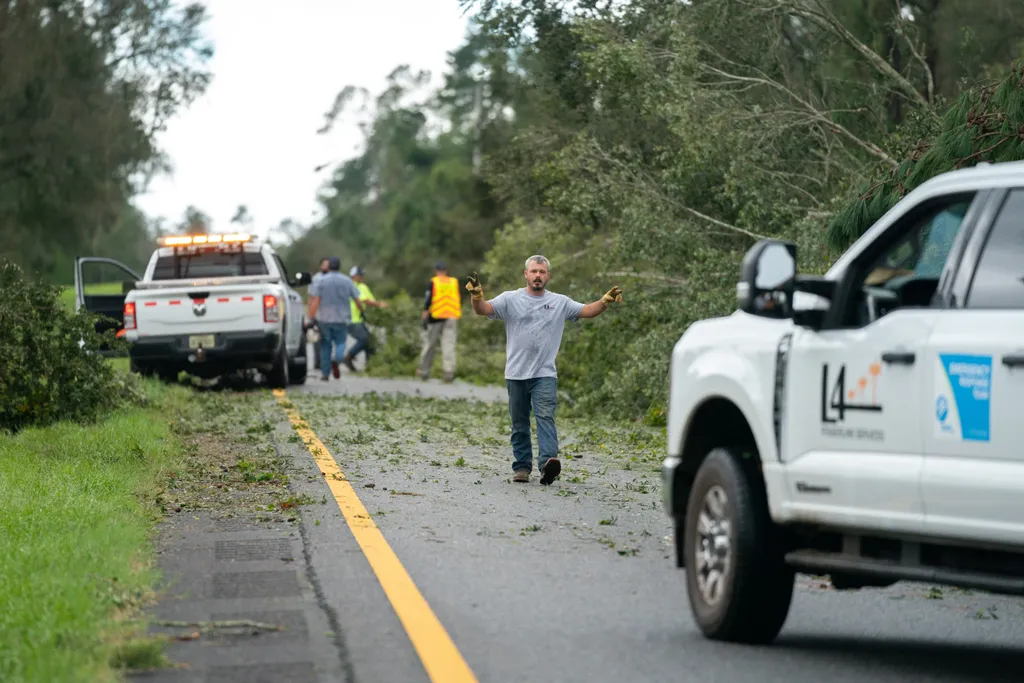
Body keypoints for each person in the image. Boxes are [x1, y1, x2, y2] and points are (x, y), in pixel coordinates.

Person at [466, 255, 622, 485]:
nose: (538, 275)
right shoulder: (510, 299)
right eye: (534, 271)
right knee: (519, 423)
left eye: (542, 271)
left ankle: (548, 463)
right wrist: (476, 295)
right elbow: (483, 309)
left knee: (545, 416)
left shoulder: (560, 302)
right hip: (516, 373)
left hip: (545, 373)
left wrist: (605, 301)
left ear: (548, 276)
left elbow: (588, 310)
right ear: (526, 274)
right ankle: (521, 468)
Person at [306, 257, 364, 381]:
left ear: (329, 267)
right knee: (340, 344)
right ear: (339, 267)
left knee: (325, 345)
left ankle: (325, 373)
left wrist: (311, 317)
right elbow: (357, 300)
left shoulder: (320, 281)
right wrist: (362, 311)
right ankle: (336, 360)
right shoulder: (347, 281)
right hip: (341, 319)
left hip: (324, 319)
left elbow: (315, 300)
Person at [417, 260, 461, 383]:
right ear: (446, 271)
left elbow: (428, 299)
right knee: (448, 345)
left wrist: (425, 313)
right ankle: (448, 372)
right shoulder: (454, 282)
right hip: (452, 316)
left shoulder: (434, 282)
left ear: (436, 271)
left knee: (430, 344)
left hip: (436, 317)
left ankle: (424, 371)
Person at [342, 265, 387, 371]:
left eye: (363, 275)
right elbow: (364, 300)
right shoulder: (352, 286)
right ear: (354, 276)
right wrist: (380, 304)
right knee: (364, 339)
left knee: (371, 342)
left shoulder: (363, 286)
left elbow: (371, 300)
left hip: (359, 319)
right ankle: (348, 357)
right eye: (360, 275)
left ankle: (370, 366)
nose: (362, 277)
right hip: (352, 320)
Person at [310, 257, 330, 371]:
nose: (326, 267)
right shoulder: (315, 279)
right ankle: (317, 362)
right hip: (318, 312)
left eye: (328, 265)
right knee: (317, 338)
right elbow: (311, 297)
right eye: (324, 265)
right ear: (320, 266)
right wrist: (310, 314)